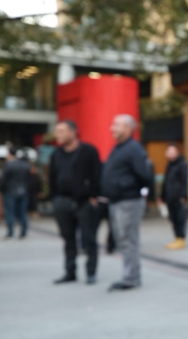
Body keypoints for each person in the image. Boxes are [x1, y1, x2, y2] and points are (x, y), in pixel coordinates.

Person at [101, 114, 153, 291]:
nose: (112, 128)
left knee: (128, 239)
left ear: (128, 128)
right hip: (117, 201)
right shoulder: (120, 148)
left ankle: (131, 278)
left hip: (128, 201)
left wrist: (125, 185)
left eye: (116, 125)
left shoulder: (133, 149)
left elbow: (145, 175)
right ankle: (130, 276)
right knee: (122, 240)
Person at [49, 120, 102, 285]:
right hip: (62, 202)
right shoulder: (56, 154)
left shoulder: (88, 151)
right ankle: (70, 272)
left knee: (89, 238)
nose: (58, 135)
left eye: (62, 131)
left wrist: (94, 195)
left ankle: (91, 272)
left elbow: (97, 175)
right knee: (68, 239)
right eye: (57, 131)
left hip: (85, 202)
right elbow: (51, 178)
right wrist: (55, 199)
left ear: (73, 132)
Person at [159, 143, 188, 250]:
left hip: (178, 197)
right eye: (169, 151)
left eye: (173, 151)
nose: (171, 153)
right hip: (170, 197)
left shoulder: (182, 165)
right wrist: (162, 196)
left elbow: (186, 181)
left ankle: (181, 239)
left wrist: (184, 195)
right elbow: (166, 182)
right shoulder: (169, 165)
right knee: (173, 218)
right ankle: (177, 238)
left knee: (180, 218)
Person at [0, 148, 31, 239]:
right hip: (23, 191)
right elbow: (29, 179)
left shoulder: (8, 166)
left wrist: (2, 189)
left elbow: (3, 180)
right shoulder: (25, 165)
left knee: (10, 212)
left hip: (10, 191)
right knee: (23, 212)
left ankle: (10, 232)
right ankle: (23, 232)